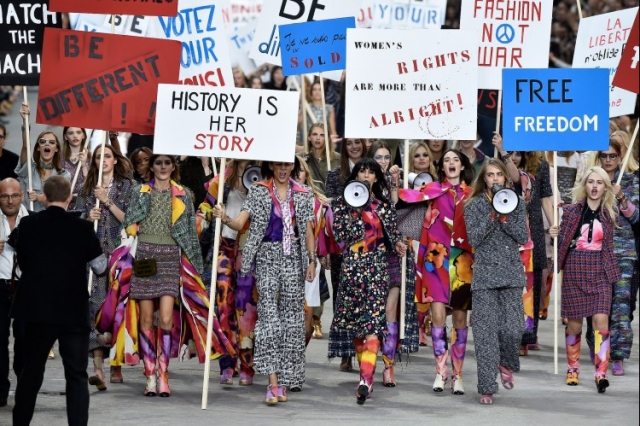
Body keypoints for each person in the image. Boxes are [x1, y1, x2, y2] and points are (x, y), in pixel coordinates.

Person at [211, 161, 315, 405]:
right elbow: (240, 224)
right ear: (272, 166)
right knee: (269, 317)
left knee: (292, 320)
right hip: (267, 256)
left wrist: (312, 260)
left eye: (287, 165)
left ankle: (288, 377)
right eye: (278, 165)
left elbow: (308, 230)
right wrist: (224, 216)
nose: (282, 169)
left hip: (294, 259)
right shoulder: (259, 190)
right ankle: (272, 381)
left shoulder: (303, 193)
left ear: (292, 167)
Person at [9, 175, 106, 426]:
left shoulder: (28, 224)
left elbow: (18, 253)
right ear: (68, 197)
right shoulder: (83, 228)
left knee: (31, 373)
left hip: (35, 309)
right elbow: (100, 267)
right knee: (76, 375)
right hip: (72, 311)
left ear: (46, 196)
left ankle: (20, 423)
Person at [329, 158, 406, 404]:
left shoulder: (383, 206)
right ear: (355, 176)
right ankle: (366, 372)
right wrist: (356, 211)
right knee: (355, 327)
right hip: (352, 269)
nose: (365, 175)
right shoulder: (342, 204)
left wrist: (400, 245)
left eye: (370, 172)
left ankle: (366, 380)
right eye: (361, 171)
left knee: (372, 325)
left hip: (376, 270)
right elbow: (340, 237)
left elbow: (394, 237)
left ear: (375, 178)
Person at [399, 149, 474, 395]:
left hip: (462, 259)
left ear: (462, 166)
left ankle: (458, 374)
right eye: (447, 160)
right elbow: (404, 199)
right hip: (435, 258)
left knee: (461, 319)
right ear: (441, 167)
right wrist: (394, 181)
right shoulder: (431, 189)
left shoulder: (472, 195)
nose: (451, 163)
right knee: (438, 315)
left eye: (456, 159)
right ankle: (441, 371)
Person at [550, 166, 621, 393]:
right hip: (575, 268)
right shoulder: (572, 211)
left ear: (605, 187)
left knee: (601, 321)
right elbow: (562, 239)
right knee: (574, 324)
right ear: (585, 185)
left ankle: (601, 373)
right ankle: (573, 368)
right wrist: (555, 233)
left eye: (599, 183)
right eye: (591, 182)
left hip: (600, 270)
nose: (594, 186)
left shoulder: (610, 213)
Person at [464, 159, 528, 405]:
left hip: (511, 274)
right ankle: (487, 386)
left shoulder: (517, 203)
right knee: (485, 334)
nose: (494, 179)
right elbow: (475, 239)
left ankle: (506, 362)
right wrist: (493, 214)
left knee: (513, 329)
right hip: (485, 277)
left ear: (505, 178)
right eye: (490, 175)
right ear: (484, 179)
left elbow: (522, 236)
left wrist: (507, 214)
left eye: (499, 175)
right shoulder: (474, 205)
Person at [75, 145, 133, 389]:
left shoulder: (127, 187)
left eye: (107, 156)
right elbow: (75, 221)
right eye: (98, 157)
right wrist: (88, 217)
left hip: (121, 254)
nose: (103, 160)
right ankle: (98, 368)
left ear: (115, 159)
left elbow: (130, 220)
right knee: (96, 309)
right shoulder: (86, 189)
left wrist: (107, 201)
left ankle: (116, 363)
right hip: (95, 256)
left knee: (118, 307)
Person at [197, 159, 259, 386]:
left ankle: (246, 363)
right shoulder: (223, 176)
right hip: (223, 245)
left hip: (249, 248)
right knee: (222, 302)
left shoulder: (263, 175)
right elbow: (204, 207)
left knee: (245, 307)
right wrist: (205, 217)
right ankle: (226, 362)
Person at [368, 141, 419, 386]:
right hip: (369, 255)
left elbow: (396, 206)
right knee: (372, 312)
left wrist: (395, 183)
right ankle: (367, 360)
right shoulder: (362, 185)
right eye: (378, 157)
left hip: (392, 254)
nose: (383, 160)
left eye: (387, 156)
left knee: (390, 310)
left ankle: (388, 366)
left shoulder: (396, 182)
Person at [589, 139, 639, 375]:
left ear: (620, 157)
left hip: (622, 253)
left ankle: (618, 354)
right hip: (595, 252)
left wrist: (621, 198)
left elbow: (636, 217)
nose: (608, 160)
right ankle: (599, 349)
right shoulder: (592, 180)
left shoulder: (630, 180)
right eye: (604, 156)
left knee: (620, 307)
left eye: (612, 156)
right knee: (597, 306)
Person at [325, 138, 366, 372]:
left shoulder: (371, 171)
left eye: (357, 142)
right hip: (341, 247)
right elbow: (330, 209)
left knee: (364, 300)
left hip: (368, 246)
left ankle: (362, 349)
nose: (354, 146)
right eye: (349, 143)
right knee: (342, 299)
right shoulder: (334, 175)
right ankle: (345, 352)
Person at [0, 178, 28, 407]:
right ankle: (0, 389)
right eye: (4, 196)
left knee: (25, 341)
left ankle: (24, 387)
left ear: (21, 196)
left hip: (24, 287)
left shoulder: (32, 221)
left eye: (14, 195)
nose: (9, 200)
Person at [16, 105, 70, 211]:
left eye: (51, 142)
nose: (47, 144)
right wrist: (25, 122)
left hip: (52, 223)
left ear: (56, 149)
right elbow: (26, 147)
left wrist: (41, 198)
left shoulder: (63, 175)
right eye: (42, 142)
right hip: (30, 221)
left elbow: (63, 202)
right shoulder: (28, 170)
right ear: (38, 148)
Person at [304, 123, 340, 194]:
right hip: (309, 200)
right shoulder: (301, 158)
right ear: (309, 137)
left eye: (322, 135)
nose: (318, 138)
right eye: (315, 134)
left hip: (329, 201)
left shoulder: (338, 159)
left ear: (327, 138)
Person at [62, 127, 90, 198]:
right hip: (64, 201)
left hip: (84, 201)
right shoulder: (59, 158)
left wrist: (84, 166)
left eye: (78, 132)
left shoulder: (91, 157)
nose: (75, 136)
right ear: (65, 137)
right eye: (71, 133)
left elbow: (92, 184)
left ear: (83, 135)